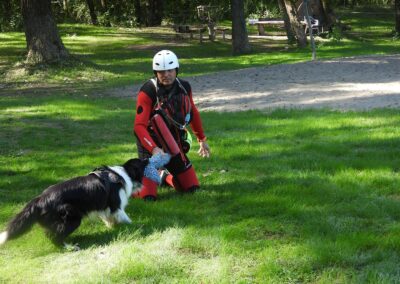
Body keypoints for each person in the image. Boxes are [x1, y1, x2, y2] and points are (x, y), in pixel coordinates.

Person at [133, 50, 211, 201]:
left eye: (169, 70)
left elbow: (192, 112)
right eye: (161, 71)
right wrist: (154, 149)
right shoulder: (148, 90)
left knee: (192, 189)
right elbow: (139, 127)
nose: (166, 74)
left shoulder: (184, 87)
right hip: (150, 143)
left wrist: (202, 139)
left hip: (172, 142)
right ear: (155, 72)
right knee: (148, 198)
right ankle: (129, 185)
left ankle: (164, 178)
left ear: (176, 70)